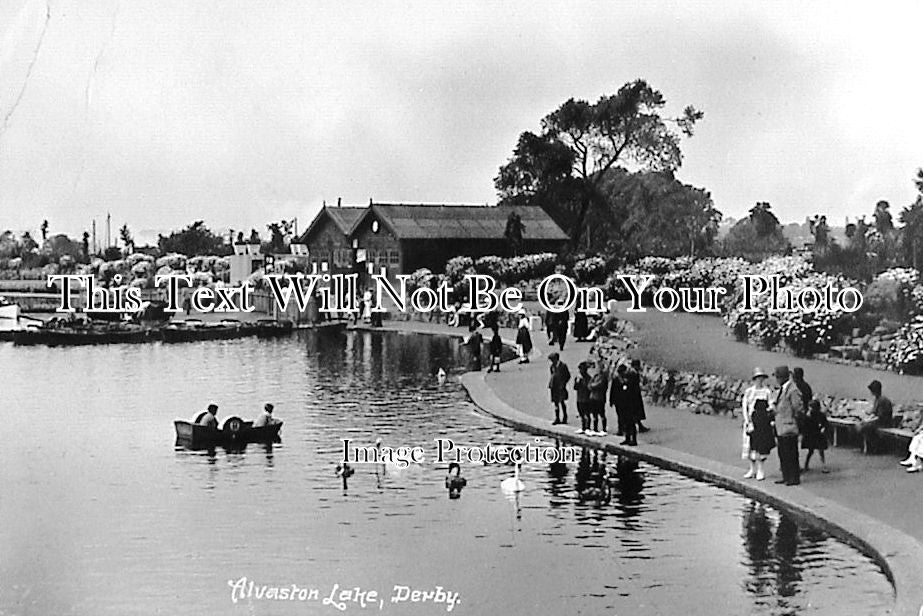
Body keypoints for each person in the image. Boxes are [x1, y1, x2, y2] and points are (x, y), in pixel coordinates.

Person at [772, 366, 803, 486]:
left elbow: (797, 407)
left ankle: (794, 477)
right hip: (781, 426)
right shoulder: (783, 389)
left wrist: (792, 418)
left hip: (789, 425)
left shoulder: (792, 390)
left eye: (777, 377)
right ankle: (786, 476)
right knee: (783, 452)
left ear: (782, 377)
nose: (776, 380)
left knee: (791, 452)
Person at [741, 367, 773, 480]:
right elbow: (745, 406)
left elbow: (771, 405)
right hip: (751, 421)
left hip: (762, 423)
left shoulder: (767, 391)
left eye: (761, 378)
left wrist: (767, 416)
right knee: (749, 445)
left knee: (760, 446)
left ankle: (760, 469)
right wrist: (747, 420)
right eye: (757, 378)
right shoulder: (749, 391)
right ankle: (751, 469)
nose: (760, 380)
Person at [858, 380, 893, 453]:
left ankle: (875, 446)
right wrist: (867, 418)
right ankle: (867, 446)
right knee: (861, 425)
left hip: (884, 423)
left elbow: (880, 416)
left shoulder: (883, 400)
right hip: (878, 421)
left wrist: (868, 421)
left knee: (865, 427)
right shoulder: (877, 399)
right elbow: (874, 413)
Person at [611, 363, 637, 446]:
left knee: (631, 422)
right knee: (624, 421)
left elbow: (634, 392)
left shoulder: (630, 379)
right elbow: (613, 391)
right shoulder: (616, 379)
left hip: (629, 403)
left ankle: (634, 439)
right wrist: (612, 401)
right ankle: (627, 438)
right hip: (620, 403)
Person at [801, 399, 829, 473]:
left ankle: (823, 466)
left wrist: (823, 428)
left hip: (817, 434)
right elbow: (805, 426)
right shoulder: (808, 415)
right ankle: (806, 465)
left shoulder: (820, 415)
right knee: (812, 451)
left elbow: (825, 423)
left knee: (819, 450)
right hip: (812, 434)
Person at [588, 359, 609, 436]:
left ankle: (604, 429)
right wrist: (592, 385)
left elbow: (599, 385)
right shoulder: (595, 376)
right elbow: (589, 384)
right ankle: (595, 428)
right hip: (593, 397)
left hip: (600, 398)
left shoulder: (603, 377)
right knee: (594, 414)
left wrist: (593, 385)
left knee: (602, 413)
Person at [548, 352, 570, 425]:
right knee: (555, 402)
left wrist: (563, 383)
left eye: (552, 359)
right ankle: (557, 417)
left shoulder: (563, 366)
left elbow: (568, 376)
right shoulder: (552, 366)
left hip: (560, 387)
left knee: (562, 401)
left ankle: (565, 417)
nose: (552, 361)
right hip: (554, 387)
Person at [629, 358, 650, 433]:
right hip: (633, 396)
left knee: (636, 411)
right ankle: (637, 426)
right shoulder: (632, 374)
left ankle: (639, 425)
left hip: (635, 395)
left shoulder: (634, 373)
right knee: (635, 411)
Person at [573, 361, 592, 435]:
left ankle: (588, 427)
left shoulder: (588, 378)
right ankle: (583, 427)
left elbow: (588, 387)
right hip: (579, 398)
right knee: (581, 413)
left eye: (582, 369)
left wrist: (582, 381)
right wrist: (577, 381)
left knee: (587, 414)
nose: (580, 371)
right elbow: (575, 387)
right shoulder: (578, 378)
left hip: (586, 399)